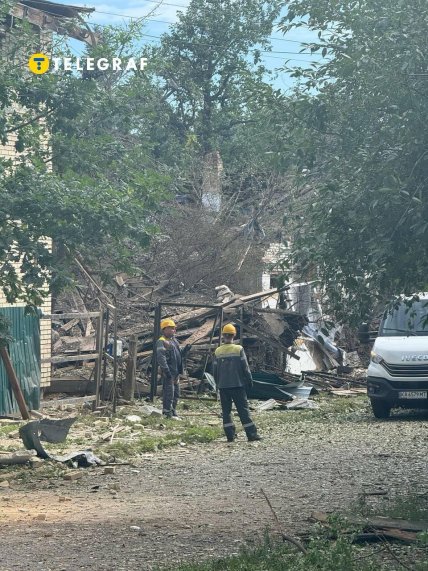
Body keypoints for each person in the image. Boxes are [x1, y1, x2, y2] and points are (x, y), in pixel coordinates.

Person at [213, 323, 261, 442]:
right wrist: (249, 380)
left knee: (226, 412)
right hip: (237, 385)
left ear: (223, 335)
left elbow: (214, 371)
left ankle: (230, 436)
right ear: (234, 335)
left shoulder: (218, 351)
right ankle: (251, 435)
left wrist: (217, 384)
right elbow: (245, 367)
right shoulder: (238, 349)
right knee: (243, 410)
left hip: (223, 386)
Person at [156, 318, 183, 419]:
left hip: (176, 372)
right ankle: (167, 412)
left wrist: (185, 351)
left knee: (176, 393)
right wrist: (166, 371)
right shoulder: (161, 341)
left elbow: (178, 354)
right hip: (169, 371)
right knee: (169, 393)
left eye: (174, 328)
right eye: (171, 328)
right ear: (164, 329)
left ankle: (173, 410)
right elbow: (161, 358)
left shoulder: (174, 341)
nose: (173, 330)